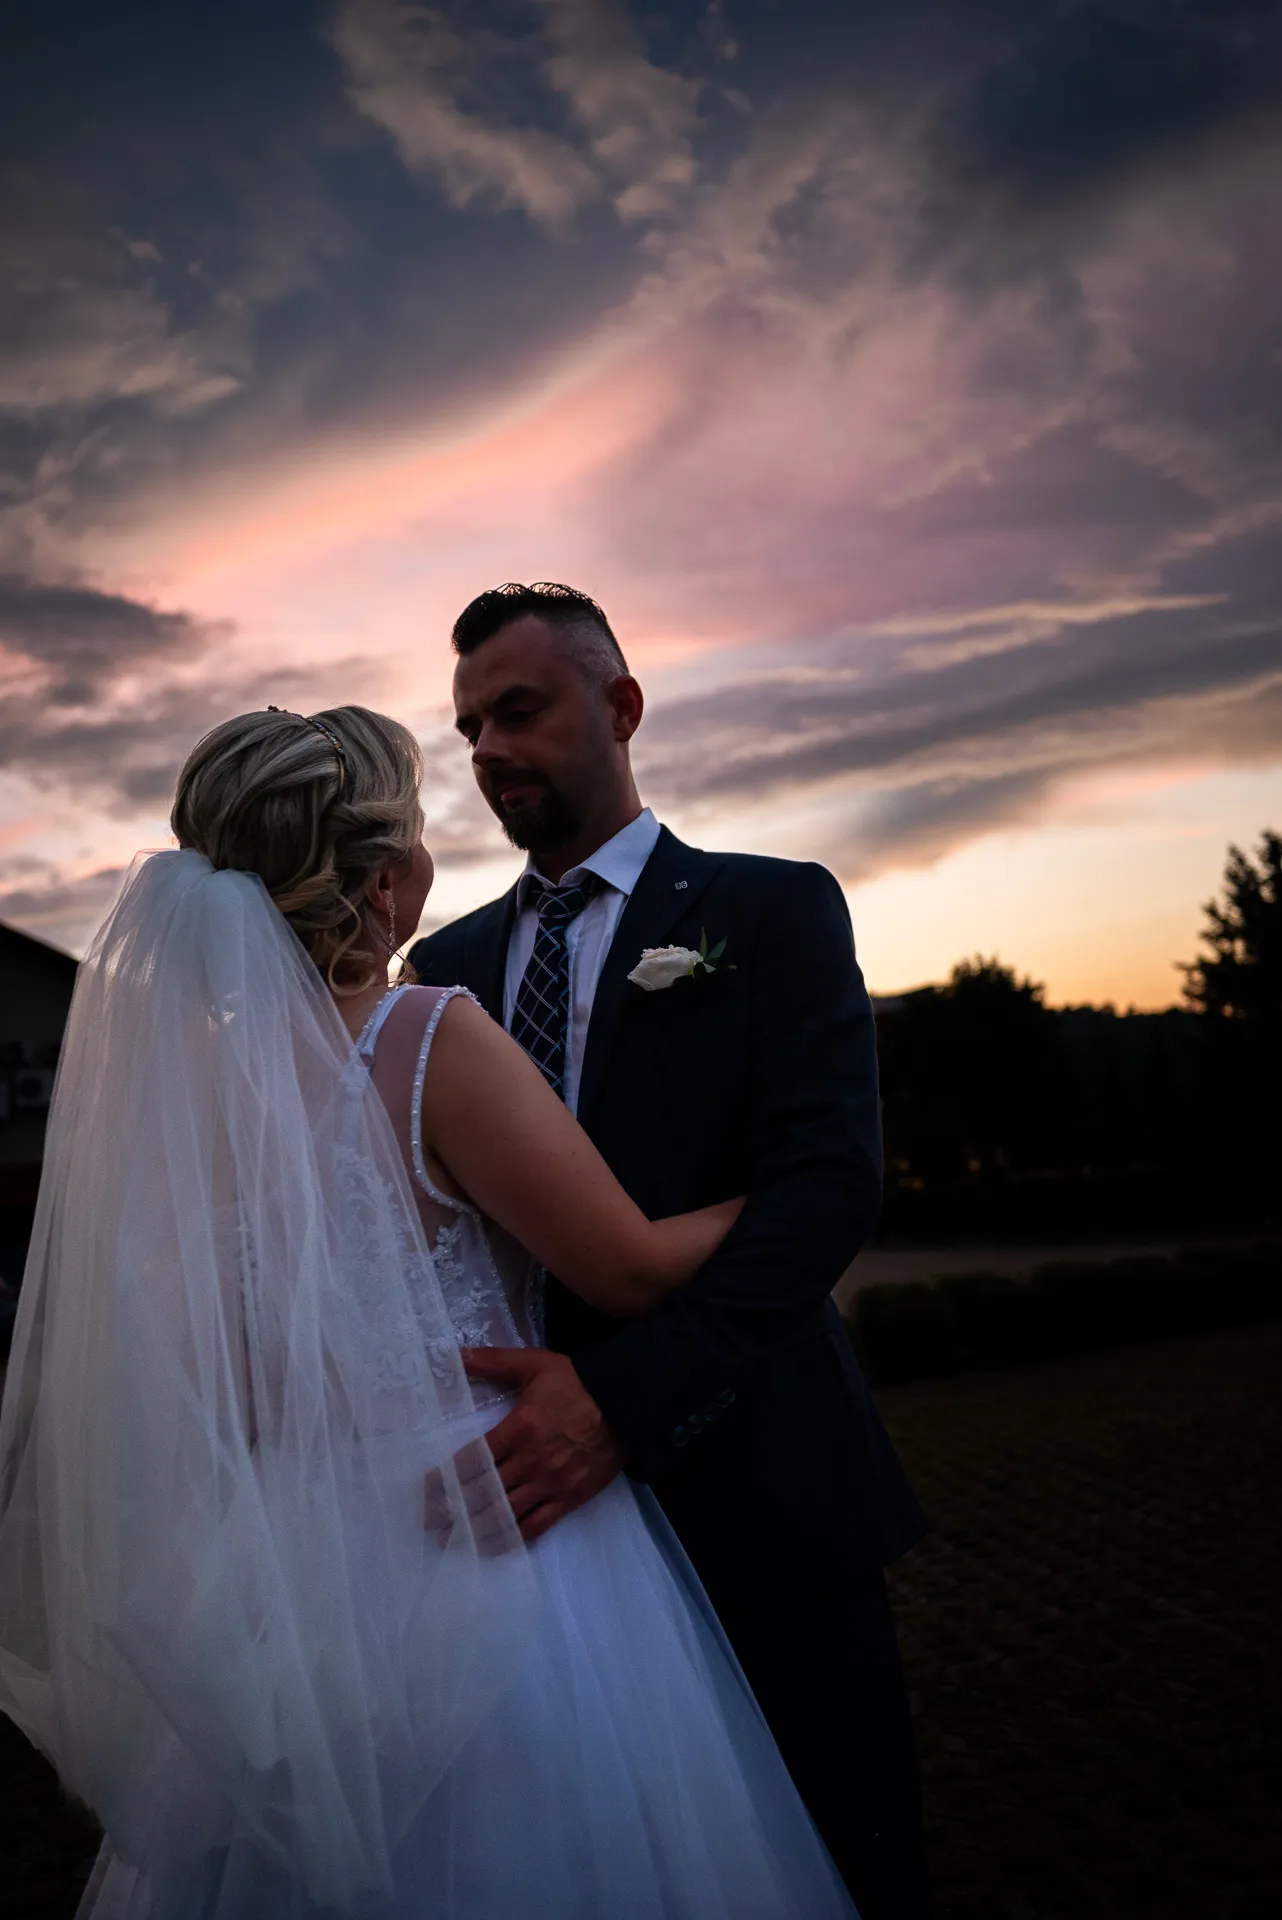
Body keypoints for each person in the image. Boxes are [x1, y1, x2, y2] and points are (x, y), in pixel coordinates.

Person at [0, 703, 857, 1920]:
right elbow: (623, 1269)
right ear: (385, 878)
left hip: (295, 1568)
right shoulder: (425, 1034)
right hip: (485, 1532)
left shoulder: (188, 1088)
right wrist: (783, 1191)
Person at [410, 583, 931, 1919]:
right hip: (537, 1532)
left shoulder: (769, 912)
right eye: (469, 730)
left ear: (622, 705)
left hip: (761, 1481)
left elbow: (824, 1193)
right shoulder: (440, 969)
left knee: (834, 1856)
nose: (488, 752)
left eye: (518, 710)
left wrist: (621, 1401)